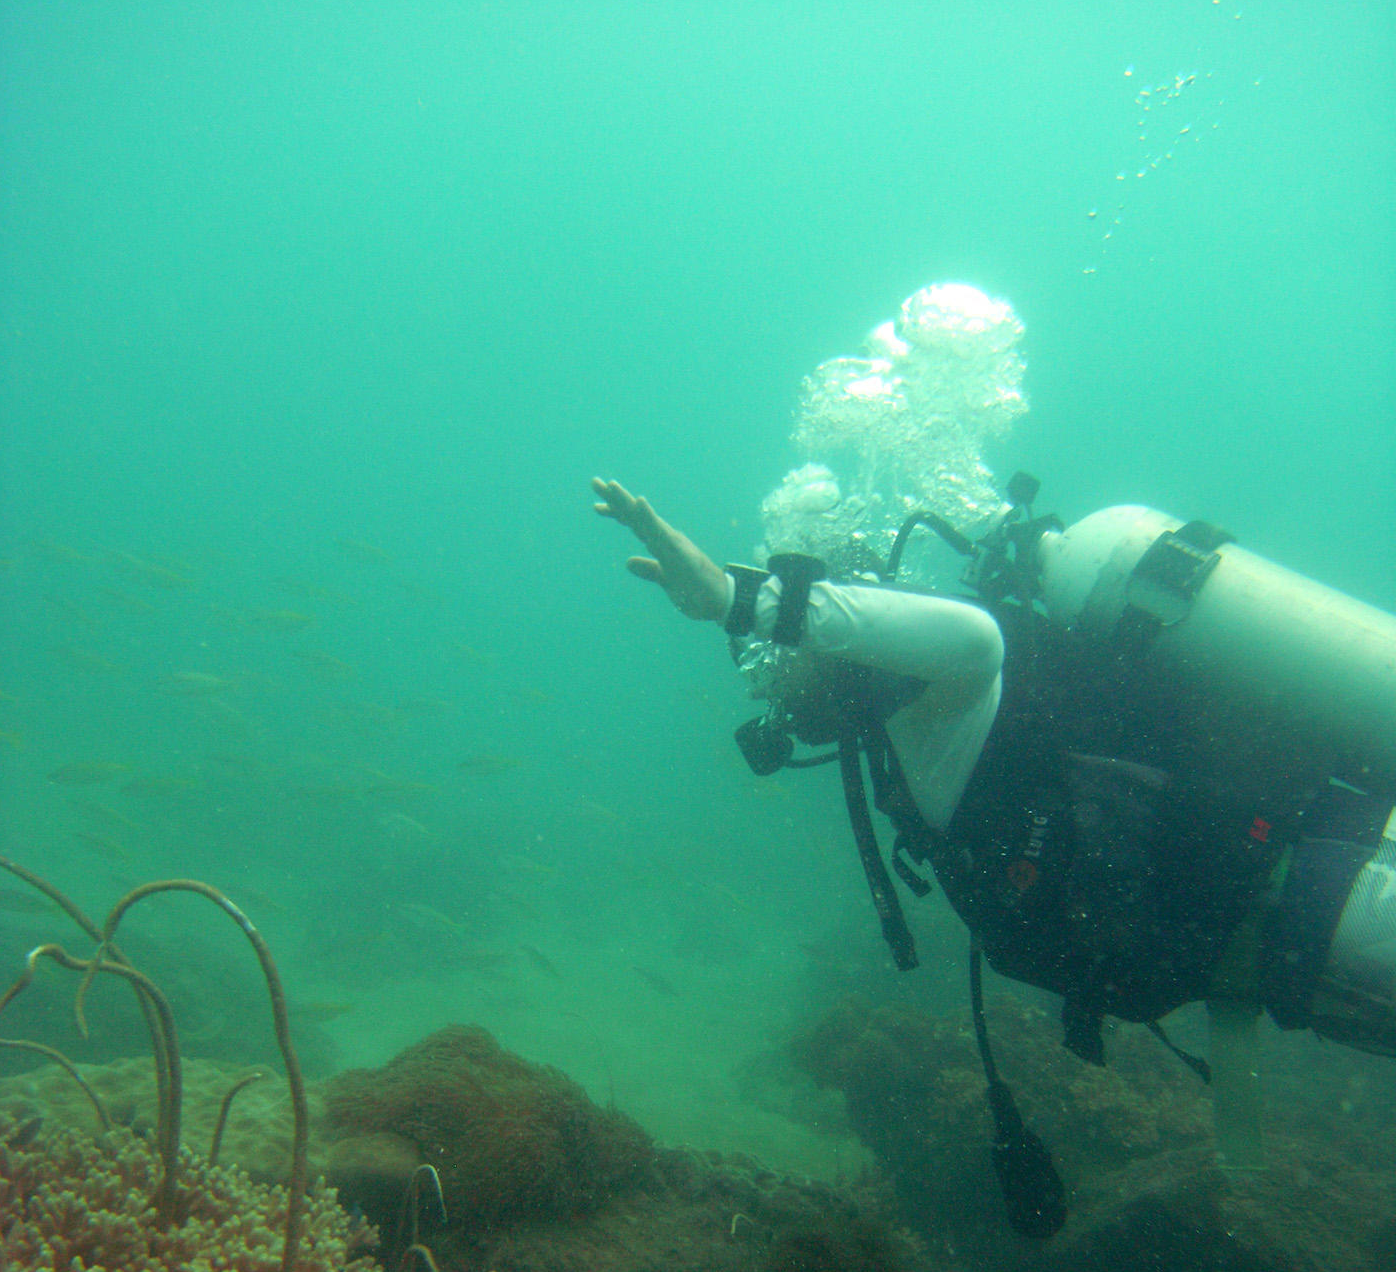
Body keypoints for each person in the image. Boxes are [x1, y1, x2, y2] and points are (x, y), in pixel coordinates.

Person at [593, 474, 1396, 1233]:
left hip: (1326, 890)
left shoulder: (939, 701)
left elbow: (973, 639)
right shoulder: (903, 742)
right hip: (1289, 944)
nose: (763, 680)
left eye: (770, 653)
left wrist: (740, 599)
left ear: (846, 613)